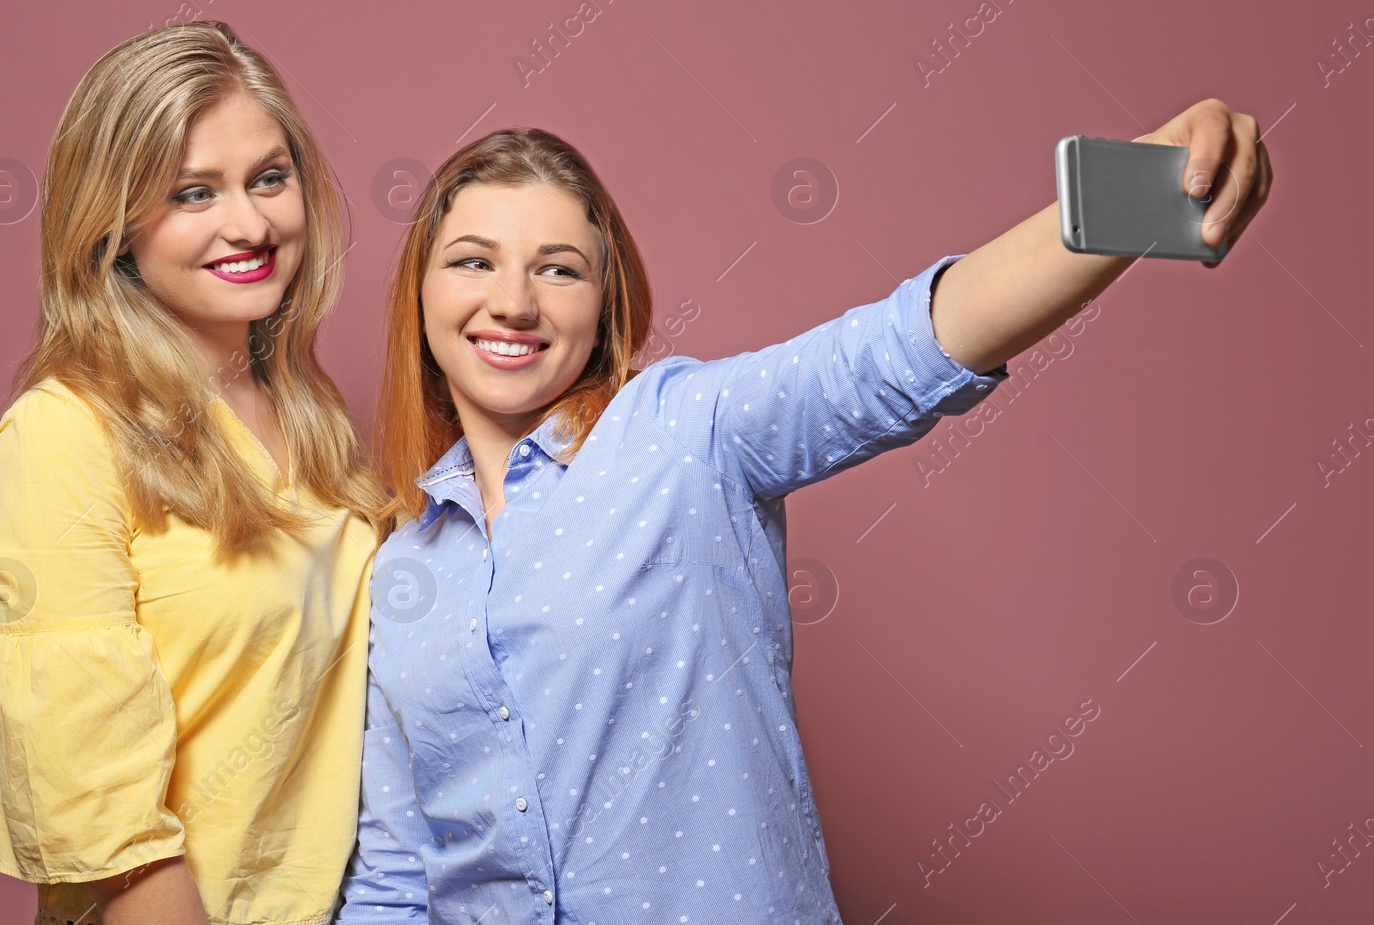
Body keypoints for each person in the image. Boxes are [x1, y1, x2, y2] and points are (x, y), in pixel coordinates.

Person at [335, 105, 1271, 922]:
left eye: (558, 270)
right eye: (473, 261)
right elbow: (395, 878)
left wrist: (1141, 191)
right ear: (420, 293)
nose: (512, 302)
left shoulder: (684, 433)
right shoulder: (402, 570)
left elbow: (900, 351)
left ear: (605, 304)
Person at [0, 20, 389, 925]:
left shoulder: (311, 417)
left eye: (270, 177)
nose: (252, 223)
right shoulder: (61, 437)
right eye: (195, 193)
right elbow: (101, 820)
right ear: (112, 229)